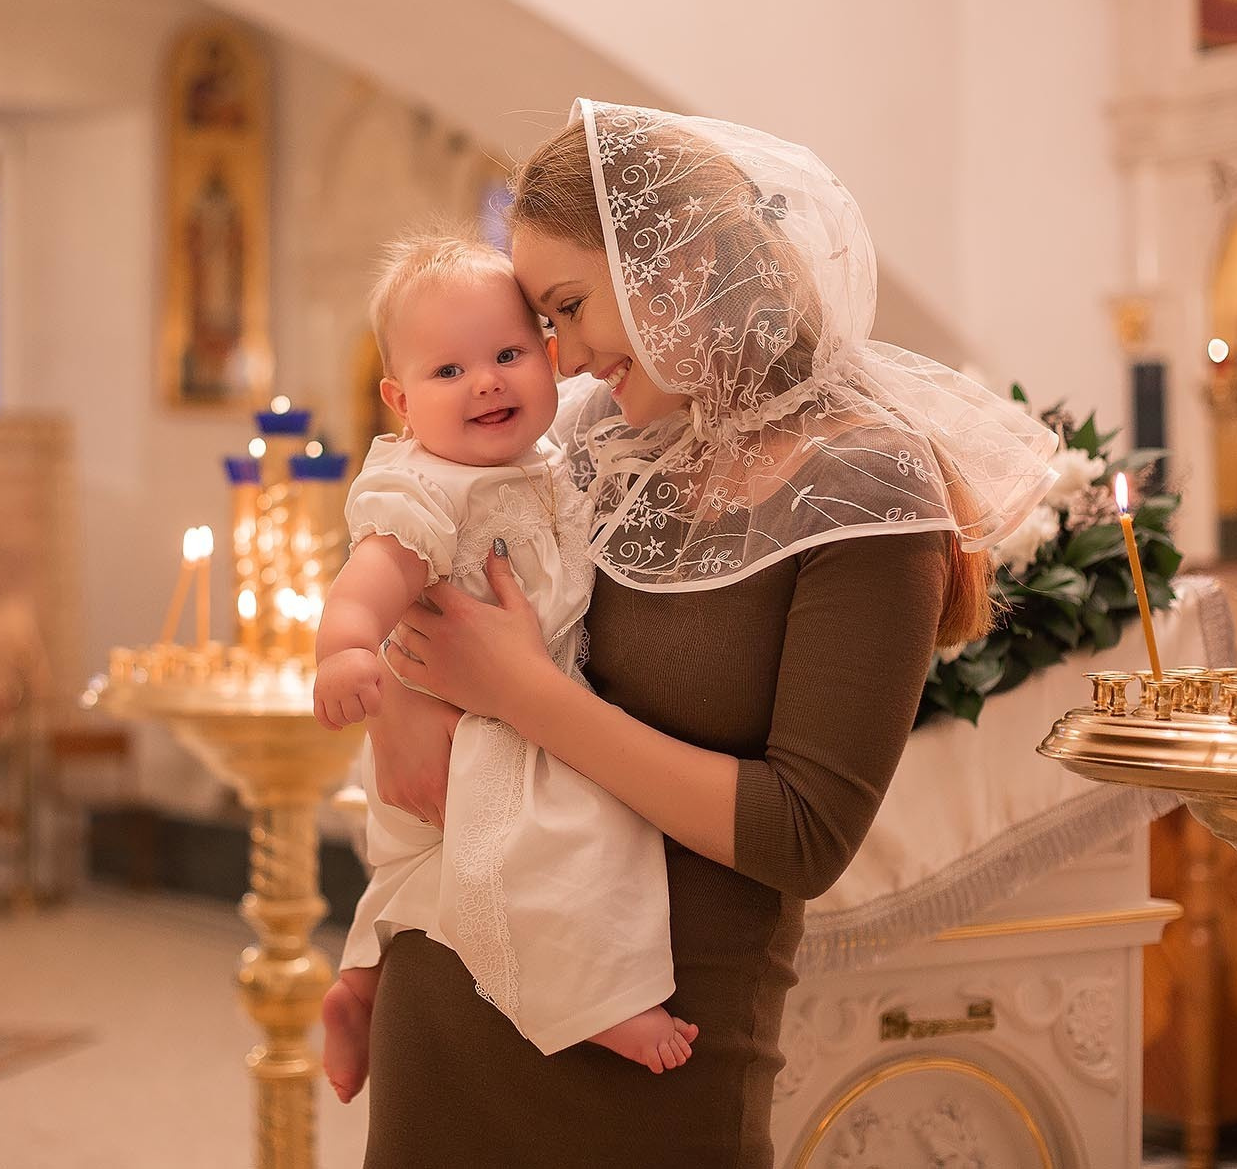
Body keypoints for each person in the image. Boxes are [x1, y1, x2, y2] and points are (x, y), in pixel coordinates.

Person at [351, 100, 1058, 1167]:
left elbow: (801, 834)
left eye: (570, 306)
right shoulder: (601, 441)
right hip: (448, 996)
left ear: (668, 267)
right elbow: (418, 536)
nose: (567, 355)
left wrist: (530, 698)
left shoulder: (867, 483)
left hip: (655, 1062)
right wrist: (404, 695)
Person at [315, 234, 693, 1106]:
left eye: (509, 354)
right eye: (449, 372)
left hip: (496, 713)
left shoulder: (550, 460)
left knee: (422, 874)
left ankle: (359, 988)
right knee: (587, 834)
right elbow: (366, 585)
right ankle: (598, 999)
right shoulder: (428, 492)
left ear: (551, 360)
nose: (485, 381)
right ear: (400, 401)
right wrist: (344, 650)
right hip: (467, 727)